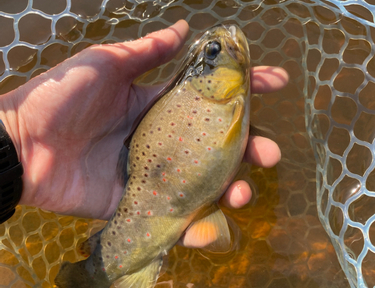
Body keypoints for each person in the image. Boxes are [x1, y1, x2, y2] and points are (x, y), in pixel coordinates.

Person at [0, 20, 288, 247]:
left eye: (213, 52)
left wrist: (19, 136)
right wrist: (17, 136)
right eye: (214, 52)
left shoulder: (224, 100)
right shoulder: (228, 103)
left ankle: (104, 264)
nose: (226, 44)